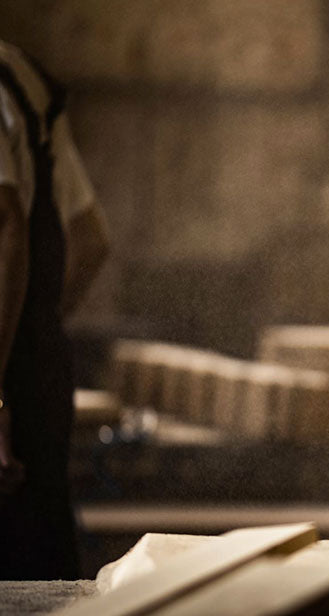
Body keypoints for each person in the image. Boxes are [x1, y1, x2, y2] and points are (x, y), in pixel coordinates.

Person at [0, 39, 108, 580]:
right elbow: (92, 242)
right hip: (35, 373)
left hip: (11, 389)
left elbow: (8, 223)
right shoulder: (27, 81)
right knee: (43, 564)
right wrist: (36, 332)